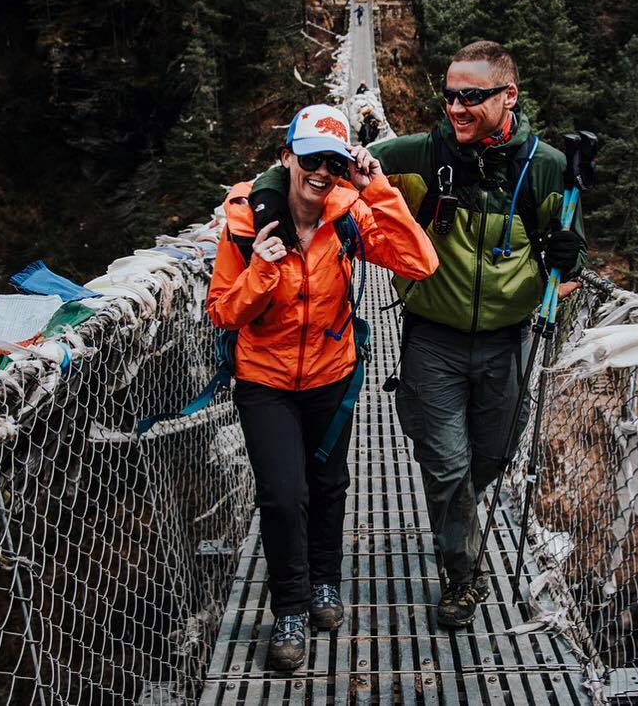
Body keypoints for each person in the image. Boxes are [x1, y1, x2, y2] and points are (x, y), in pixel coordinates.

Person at [250, 42, 586, 629]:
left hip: (511, 339)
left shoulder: (549, 167)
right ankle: (463, 577)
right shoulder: (418, 155)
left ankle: (457, 525)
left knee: (491, 459)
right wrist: (266, 205)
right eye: (450, 94)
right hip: (433, 336)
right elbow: (313, 167)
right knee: (448, 466)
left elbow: (571, 262)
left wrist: (570, 255)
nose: (456, 106)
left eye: (471, 96)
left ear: (509, 95)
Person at [207, 104, 437, 669]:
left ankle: (325, 584)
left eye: (332, 162)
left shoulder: (348, 216)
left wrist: (375, 184)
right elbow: (222, 314)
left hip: (332, 375)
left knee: (329, 484)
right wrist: (261, 270)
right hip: (265, 379)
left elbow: (419, 261)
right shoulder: (243, 223)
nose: (320, 172)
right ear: (287, 156)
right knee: (285, 496)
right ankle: (289, 607)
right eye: (310, 158)